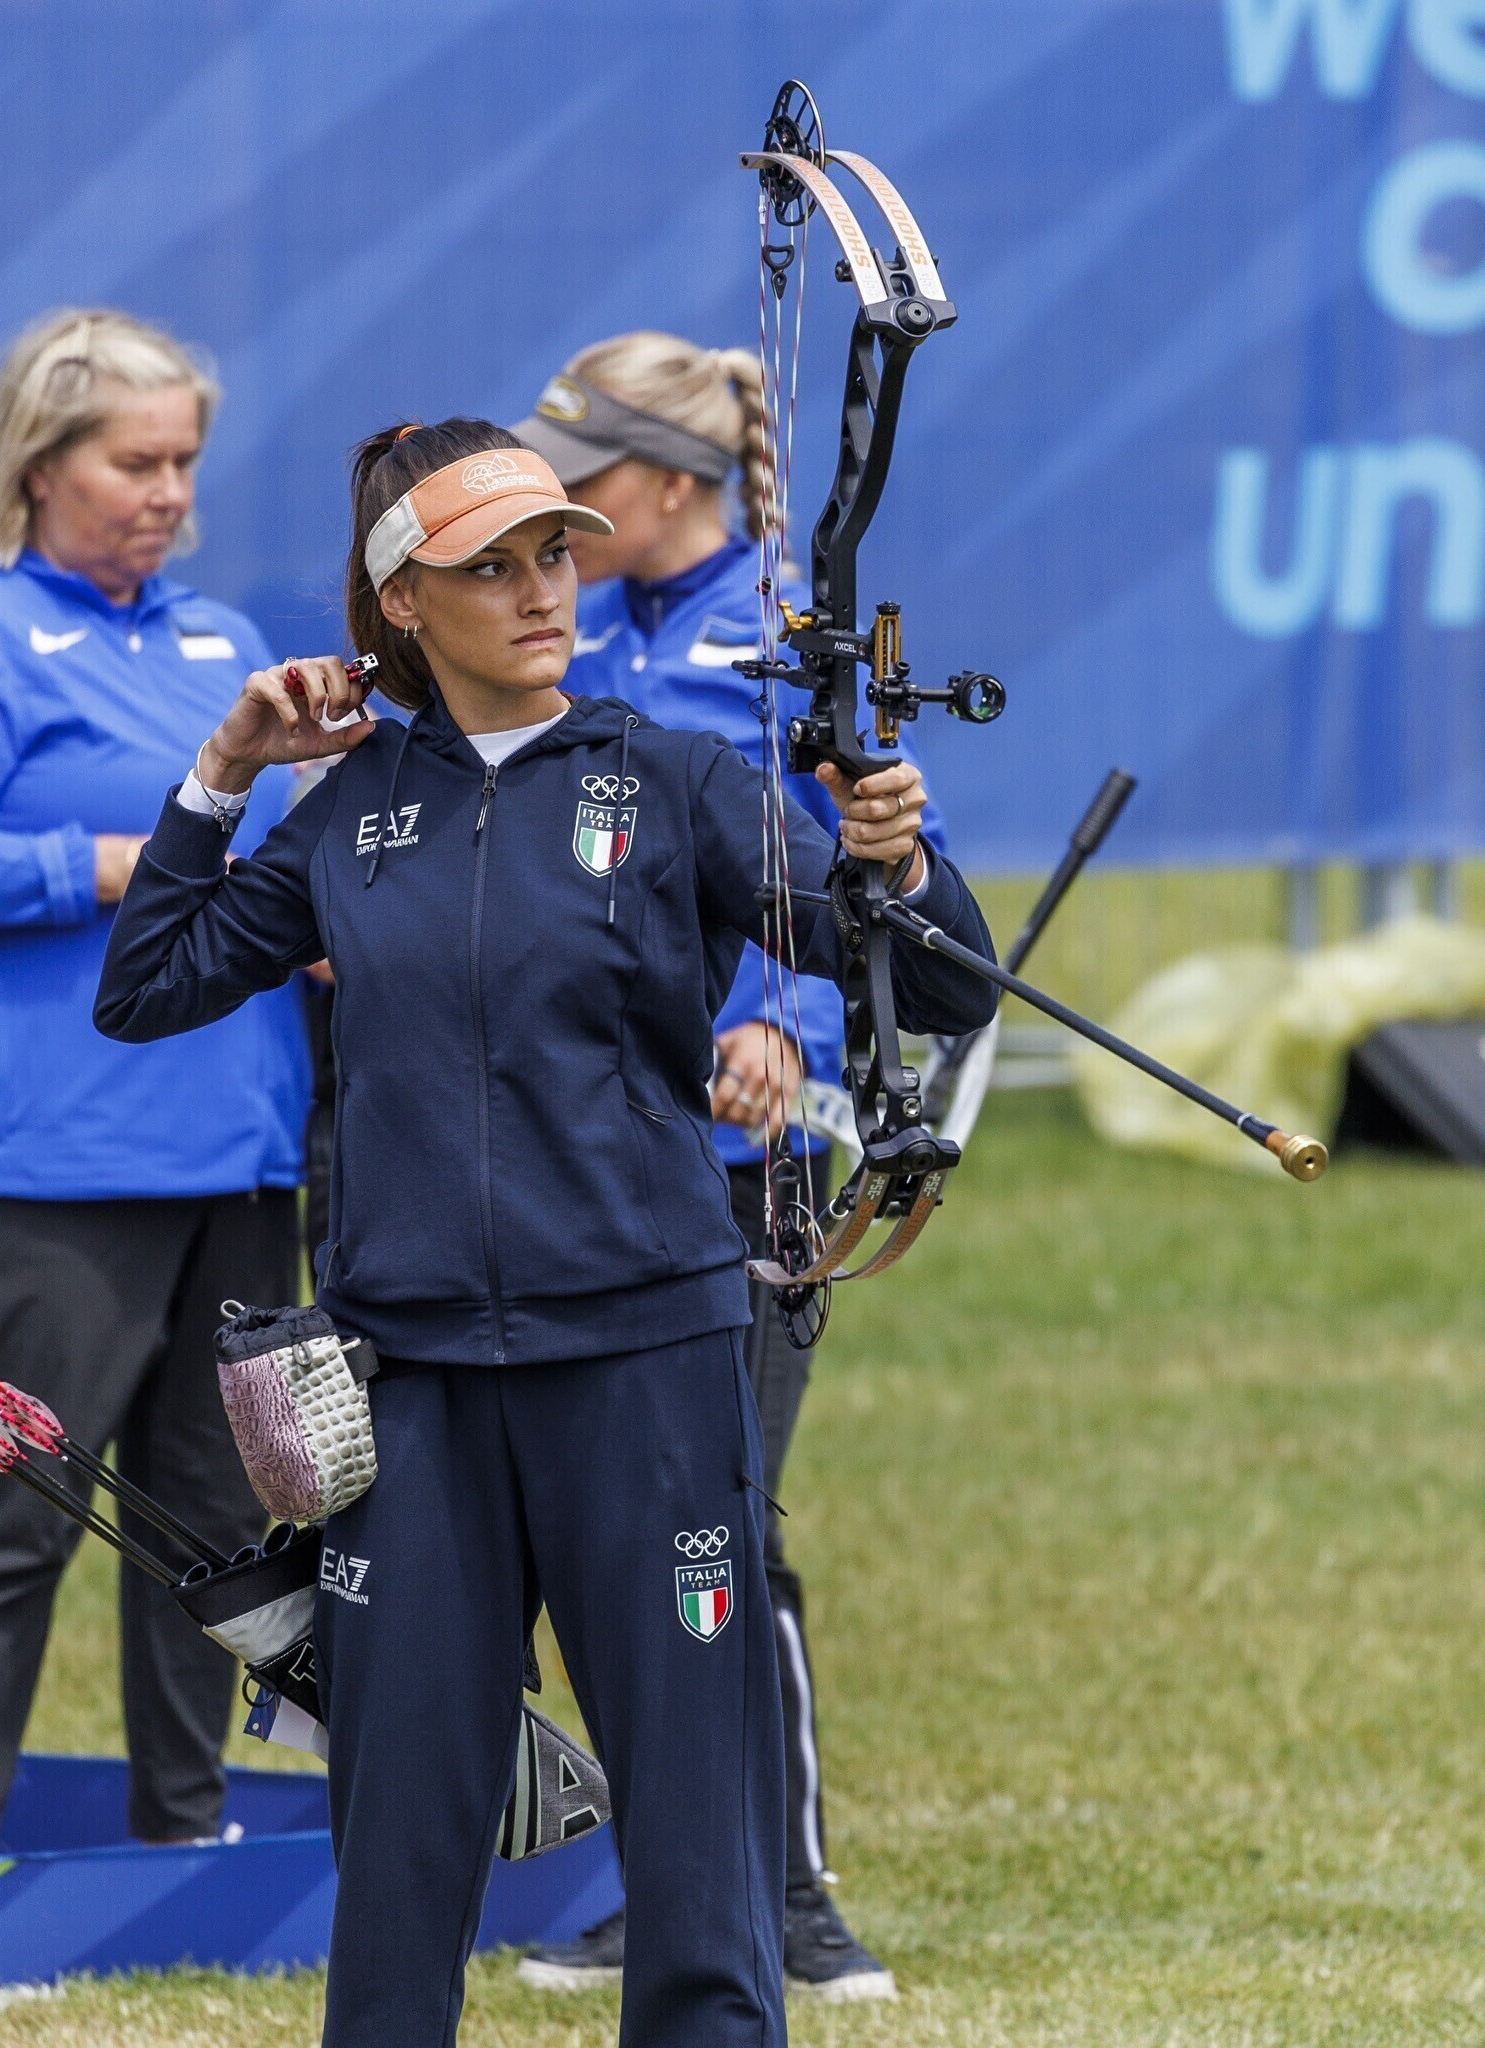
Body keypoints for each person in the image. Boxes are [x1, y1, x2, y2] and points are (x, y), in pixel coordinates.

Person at [94, 418, 998, 2047]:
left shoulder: (681, 780)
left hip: (647, 1365)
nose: (539, 591)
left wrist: (903, 860)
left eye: (556, 554)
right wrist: (221, 770)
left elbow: (936, 987)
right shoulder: (351, 809)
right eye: (491, 567)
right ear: (403, 604)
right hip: (412, 1388)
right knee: (400, 1830)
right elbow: (145, 985)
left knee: (695, 1821)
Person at [503, 332, 947, 2002]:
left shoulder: (781, 638)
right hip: (602, 1149)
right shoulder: (592, 629)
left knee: (724, 1524)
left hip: (752, 1150)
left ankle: (795, 1900)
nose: (554, 520)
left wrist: (787, 1030)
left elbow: (861, 883)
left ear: (667, 481)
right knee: (621, 1532)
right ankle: (672, 1885)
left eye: (581, 483)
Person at [0, 308, 310, 1853]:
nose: (169, 492)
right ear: (40, 464)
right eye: (135, 462)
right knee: (22, 1509)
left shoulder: (220, 645)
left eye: (185, 462)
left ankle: (186, 1828)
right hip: (43, 1166)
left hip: (240, 1155)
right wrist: (109, 865)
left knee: (224, 1522)